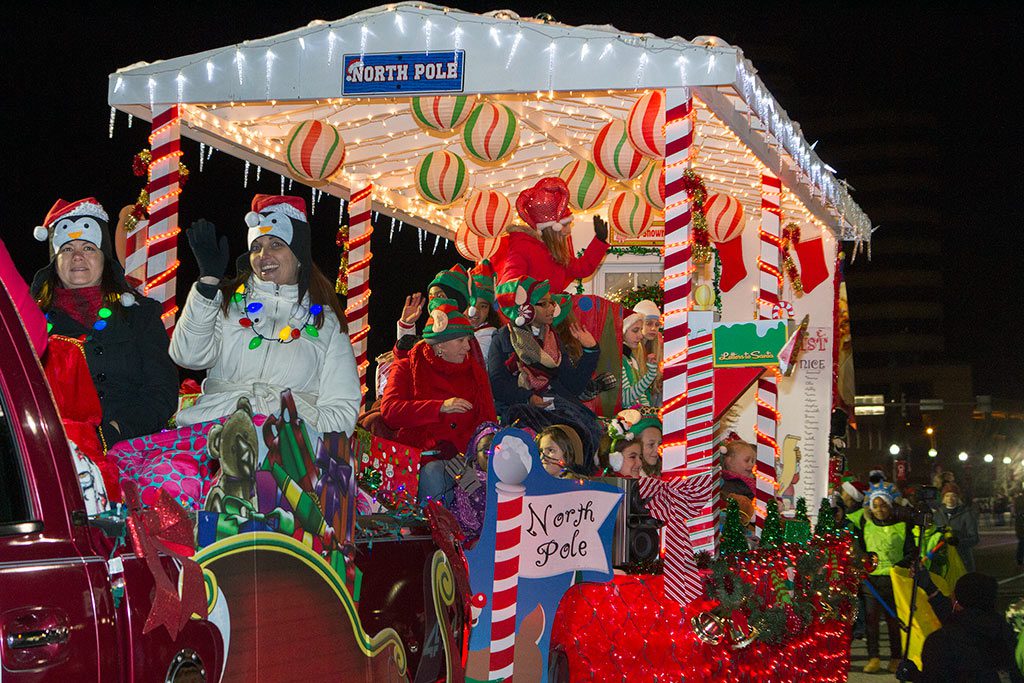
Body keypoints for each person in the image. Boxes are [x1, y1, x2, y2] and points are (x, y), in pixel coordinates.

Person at [111, 194, 360, 509]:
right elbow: (187, 355)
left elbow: (341, 417)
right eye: (256, 247)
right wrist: (207, 285)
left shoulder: (327, 325)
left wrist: (278, 413)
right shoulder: (228, 302)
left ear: (298, 252)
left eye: (275, 245)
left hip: (289, 452)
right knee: (165, 483)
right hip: (212, 434)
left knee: (273, 497)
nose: (263, 255)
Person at [31, 197, 178, 445]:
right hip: (60, 449)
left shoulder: (141, 314)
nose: (77, 256)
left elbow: (162, 391)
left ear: (104, 258)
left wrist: (117, 431)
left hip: (133, 445)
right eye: (67, 249)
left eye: (88, 248)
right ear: (55, 262)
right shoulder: (33, 324)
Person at [379, 298, 496, 505]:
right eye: (461, 341)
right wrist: (440, 407)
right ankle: (436, 531)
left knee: (483, 492)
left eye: (468, 340)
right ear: (440, 345)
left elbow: (488, 423)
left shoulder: (475, 374)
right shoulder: (407, 367)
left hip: (464, 461)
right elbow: (390, 412)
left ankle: (468, 532)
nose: (468, 347)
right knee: (435, 475)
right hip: (422, 459)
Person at [488, 276, 601, 462]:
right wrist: (528, 397)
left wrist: (591, 350)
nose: (551, 308)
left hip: (557, 406)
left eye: (551, 303)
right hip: (522, 411)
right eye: (543, 304)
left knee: (589, 431)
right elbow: (497, 384)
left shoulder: (552, 338)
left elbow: (573, 386)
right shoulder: (503, 338)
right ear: (526, 309)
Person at [490, 177, 609, 293]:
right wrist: (538, 304)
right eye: (565, 225)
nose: (568, 231)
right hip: (534, 312)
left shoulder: (556, 253)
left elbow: (582, 269)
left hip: (550, 311)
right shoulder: (523, 247)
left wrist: (599, 241)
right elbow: (511, 288)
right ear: (552, 228)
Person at [913, 572, 1024, 682]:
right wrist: (930, 588)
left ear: (956, 600)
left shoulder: (941, 641)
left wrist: (914, 675)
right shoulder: (1005, 632)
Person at [859, 483, 916, 674]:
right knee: (871, 621)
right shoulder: (865, 525)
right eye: (875, 506)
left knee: (894, 623)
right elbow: (859, 551)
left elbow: (911, 552)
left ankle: (895, 657)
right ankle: (873, 657)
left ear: (890, 505)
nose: (879, 510)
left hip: (895, 581)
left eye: (883, 505)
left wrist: (900, 566)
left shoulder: (902, 526)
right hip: (871, 582)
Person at [932, 483, 980, 572]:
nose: (950, 499)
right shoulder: (936, 515)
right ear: (943, 498)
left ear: (958, 498)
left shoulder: (967, 514)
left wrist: (958, 542)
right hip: (942, 560)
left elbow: (975, 538)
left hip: (962, 559)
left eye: (953, 496)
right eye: (947, 496)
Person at [620, 310, 660, 408]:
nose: (640, 335)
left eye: (640, 330)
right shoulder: (618, 360)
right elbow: (625, 399)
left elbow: (641, 395)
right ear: (623, 331)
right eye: (635, 330)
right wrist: (650, 375)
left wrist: (649, 411)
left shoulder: (631, 358)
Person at [633, 299, 663, 405]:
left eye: (657, 324)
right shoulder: (630, 349)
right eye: (649, 324)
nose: (653, 328)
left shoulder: (659, 348)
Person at [468, 260, 499, 359]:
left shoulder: (490, 335)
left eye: (483, 306)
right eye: (470, 304)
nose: (475, 310)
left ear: (490, 310)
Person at [1014, 483, 1024, 570]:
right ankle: (1019, 561)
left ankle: (1019, 561)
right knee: (1022, 543)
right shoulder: (1019, 500)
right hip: (1021, 525)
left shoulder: (1018, 499)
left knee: (1021, 543)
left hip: (1020, 525)